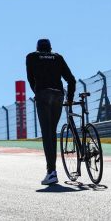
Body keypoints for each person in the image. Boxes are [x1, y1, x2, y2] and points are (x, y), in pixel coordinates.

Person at [26, 39, 76, 185]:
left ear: (37, 48)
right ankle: (52, 171)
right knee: (52, 132)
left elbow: (30, 78)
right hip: (58, 95)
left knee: (47, 133)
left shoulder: (31, 56)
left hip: (43, 94)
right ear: (50, 48)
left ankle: (51, 172)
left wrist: (37, 92)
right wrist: (70, 99)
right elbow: (71, 80)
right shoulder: (58, 57)